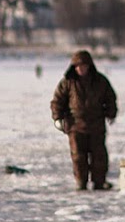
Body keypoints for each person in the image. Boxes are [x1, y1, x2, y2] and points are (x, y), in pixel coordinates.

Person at [50, 49, 118, 191]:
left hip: (96, 125)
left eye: (83, 65)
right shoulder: (67, 82)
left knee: (99, 156)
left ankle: (99, 182)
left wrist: (111, 113)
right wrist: (57, 118)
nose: (80, 69)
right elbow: (57, 101)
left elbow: (110, 98)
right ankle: (81, 182)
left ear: (89, 66)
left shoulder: (100, 81)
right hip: (75, 126)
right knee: (78, 157)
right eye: (78, 66)